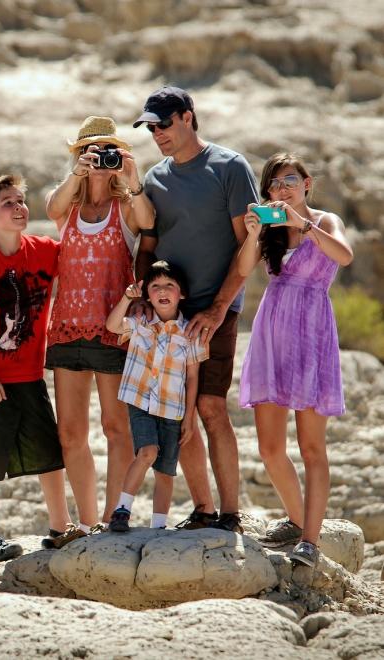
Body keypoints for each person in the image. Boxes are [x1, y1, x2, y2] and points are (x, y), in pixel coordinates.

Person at [133, 86, 259, 531]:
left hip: (215, 309)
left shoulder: (230, 167)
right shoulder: (153, 179)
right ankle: (203, 510)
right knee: (174, 409)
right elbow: (147, 246)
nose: (157, 134)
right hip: (170, 313)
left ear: (188, 117)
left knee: (209, 406)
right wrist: (144, 299)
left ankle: (230, 514)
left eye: (163, 124)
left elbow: (249, 245)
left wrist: (219, 308)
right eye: (151, 128)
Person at [237, 152, 353, 567]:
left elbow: (344, 256)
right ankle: (298, 517)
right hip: (271, 335)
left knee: (312, 447)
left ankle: (309, 540)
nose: (280, 189)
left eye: (288, 180)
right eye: (273, 184)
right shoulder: (270, 230)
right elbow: (243, 269)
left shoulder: (324, 221)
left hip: (312, 336)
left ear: (307, 183)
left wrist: (301, 224)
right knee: (269, 447)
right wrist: (254, 233)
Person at [0, 174, 78, 564]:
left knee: (48, 451)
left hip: (29, 374)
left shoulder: (44, 251)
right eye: (8, 203)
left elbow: (78, 252)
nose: (19, 208)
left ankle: (61, 528)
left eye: (21, 201)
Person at [45, 116, 155, 534]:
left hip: (113, 331)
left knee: (116, 427)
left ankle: (114, 517)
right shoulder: (68, 208)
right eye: (91, 153)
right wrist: (78, 174)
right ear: (77, 157)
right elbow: (51, 208)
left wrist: (131, 175)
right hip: (68, 328)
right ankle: (86, 521)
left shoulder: (125, 205)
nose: (99, 161)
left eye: (106, 152)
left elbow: (146, 220)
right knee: (71, 432)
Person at [106, 261, 208, 532]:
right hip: (140, 400)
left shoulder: (191, 334)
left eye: (169, 286)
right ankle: (122, 510)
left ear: (181, 294)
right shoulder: (140, 322)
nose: (162, 290)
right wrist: (128, 298)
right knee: (147, 452)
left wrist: (190, 417)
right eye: (155, 286)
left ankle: (158, 528)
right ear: (147, 295)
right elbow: (113, 325)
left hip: (173, 408)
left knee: (165, 471)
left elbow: (193, 377)